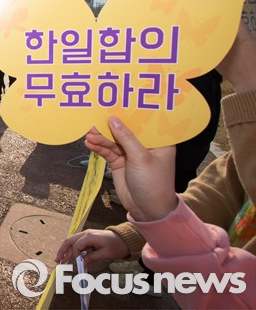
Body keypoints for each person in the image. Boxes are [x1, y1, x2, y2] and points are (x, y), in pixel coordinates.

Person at [56, 22, 256, 309]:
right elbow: (223, 190)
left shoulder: (198, 78)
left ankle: (151, 278)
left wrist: (251, 85)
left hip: (180, 162)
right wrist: (136, 232)